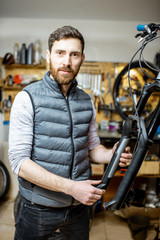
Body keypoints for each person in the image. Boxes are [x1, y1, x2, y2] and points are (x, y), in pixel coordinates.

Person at [9, 25, 132, 240]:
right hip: (39, 208)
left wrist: (111, 155)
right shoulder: (27, 98)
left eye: (74, 54)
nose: (67, 61)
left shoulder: (86, 101)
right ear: (49, 56)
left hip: (78, 210)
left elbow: (92, 147)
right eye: (60, 53)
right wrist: (72, 188)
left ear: (82, 58)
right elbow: (19, 162)